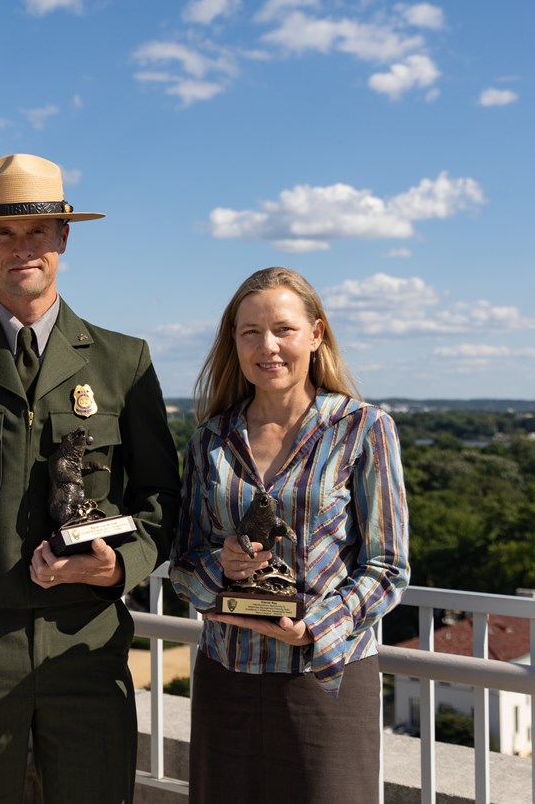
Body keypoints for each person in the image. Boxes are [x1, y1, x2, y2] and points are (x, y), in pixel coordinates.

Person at [0, 153, 180, 803]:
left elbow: (161, 502)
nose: (24, 248)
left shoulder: (124, 362)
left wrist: (117, 567)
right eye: (6, 233)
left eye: (39, 230)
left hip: (88, 647)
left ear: (64, 237)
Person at [169, 266, 409, 804]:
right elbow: (183, 558)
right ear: (233, 342)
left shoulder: (364, 429)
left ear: (317, 335)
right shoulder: (210, 438)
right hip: (225, 673)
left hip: (326, 677)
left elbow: (388, 567)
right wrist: (220, 566)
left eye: (283, 329)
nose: (267, 346)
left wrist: (313, 628)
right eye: (250, 331)